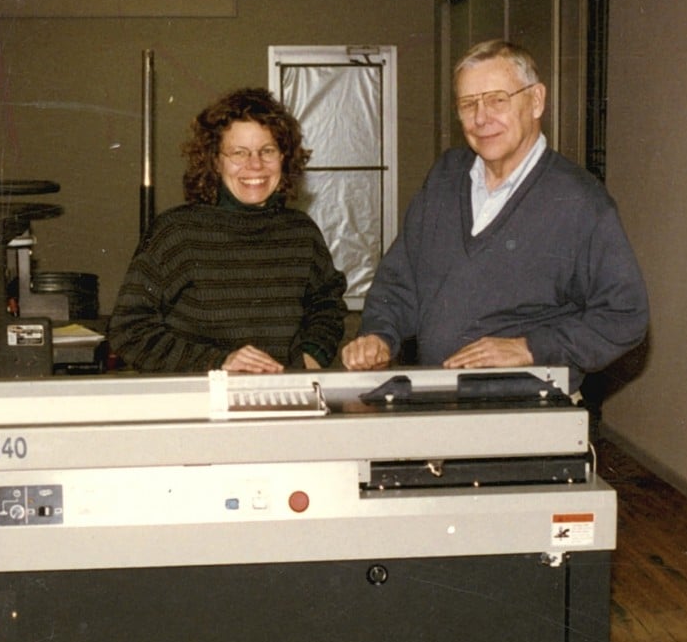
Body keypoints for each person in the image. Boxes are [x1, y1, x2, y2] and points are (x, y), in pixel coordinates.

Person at [341, 40, 648, 394]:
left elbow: (625, 315)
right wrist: (379, 333)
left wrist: (531, 346)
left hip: (527, 420)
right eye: (468, 104)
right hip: (439, 408)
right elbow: (400, 280)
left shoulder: (579, 200)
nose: (481, 117)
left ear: (536, 101)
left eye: (497, 100)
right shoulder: (444, 178)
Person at [108, 87, 347, 373]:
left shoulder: (302, 233)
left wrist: (310, 357)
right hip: (196, 402)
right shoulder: (176, 233)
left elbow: (327, 308)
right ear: (215, 161)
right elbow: (129, 330)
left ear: (284, 157)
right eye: (239, 153)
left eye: (267, 151)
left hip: (284, 401)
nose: (255, 165)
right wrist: (218, 362)